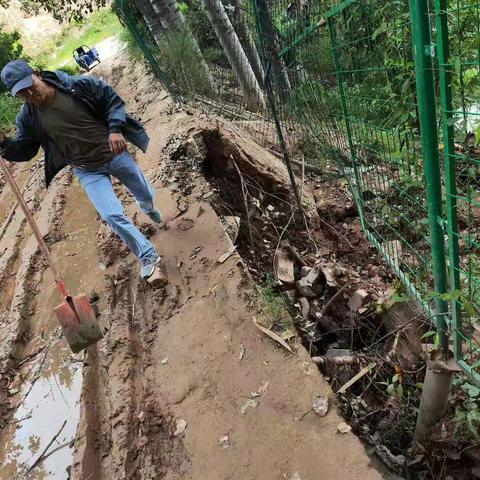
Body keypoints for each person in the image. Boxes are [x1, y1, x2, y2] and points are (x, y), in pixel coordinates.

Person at [0, 60, 167, 282]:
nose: (30, 93)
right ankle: (147, 256)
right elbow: (25, 150)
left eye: (29, 85)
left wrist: (116, 129)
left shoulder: (76, 86)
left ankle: (146, 204)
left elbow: (111, 100)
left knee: (145, 193)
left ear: (37, 74)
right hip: (86, 169)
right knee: (111, 214)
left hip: (113, 153)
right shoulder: (28, 118)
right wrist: (4, 143)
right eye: (22, 93)